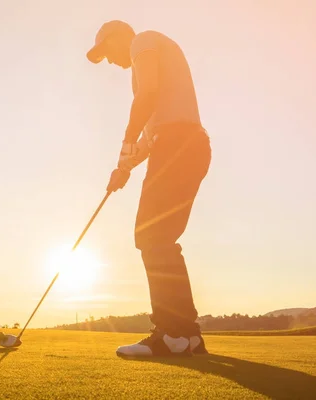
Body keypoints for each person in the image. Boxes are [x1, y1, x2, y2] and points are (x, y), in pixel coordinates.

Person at [86, 20, 212, 357]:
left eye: (106, 52)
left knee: (151, 236)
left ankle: (173, 334)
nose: (110, 61)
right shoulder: (143, 64)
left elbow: (149, 94)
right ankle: (187, 336)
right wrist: (123, 167)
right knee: (157, 238)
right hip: (181, 145)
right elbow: (149, 136)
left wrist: (126, 142)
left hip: (179, 145)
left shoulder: (144, 41)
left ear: (118, 37)